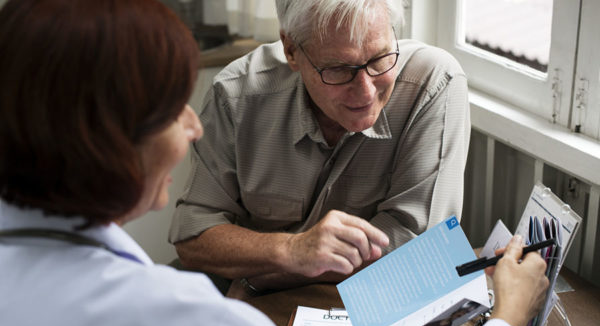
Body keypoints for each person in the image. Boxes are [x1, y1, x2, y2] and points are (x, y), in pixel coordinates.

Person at [0, 0, 549, 326]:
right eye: (172, 108)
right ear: (106, 141)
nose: (194, 126)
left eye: (380, 61)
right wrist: (506, 322)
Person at [169, 0, 471, 294]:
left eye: (379, 59)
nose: (366, 92)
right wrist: (290, 250)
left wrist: (270, 273)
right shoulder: (236, 95)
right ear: (291, 50)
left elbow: (418, 247)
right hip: (243, 300)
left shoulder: (434, 84)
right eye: (338, 69)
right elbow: (192, 235)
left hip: (357, 296)